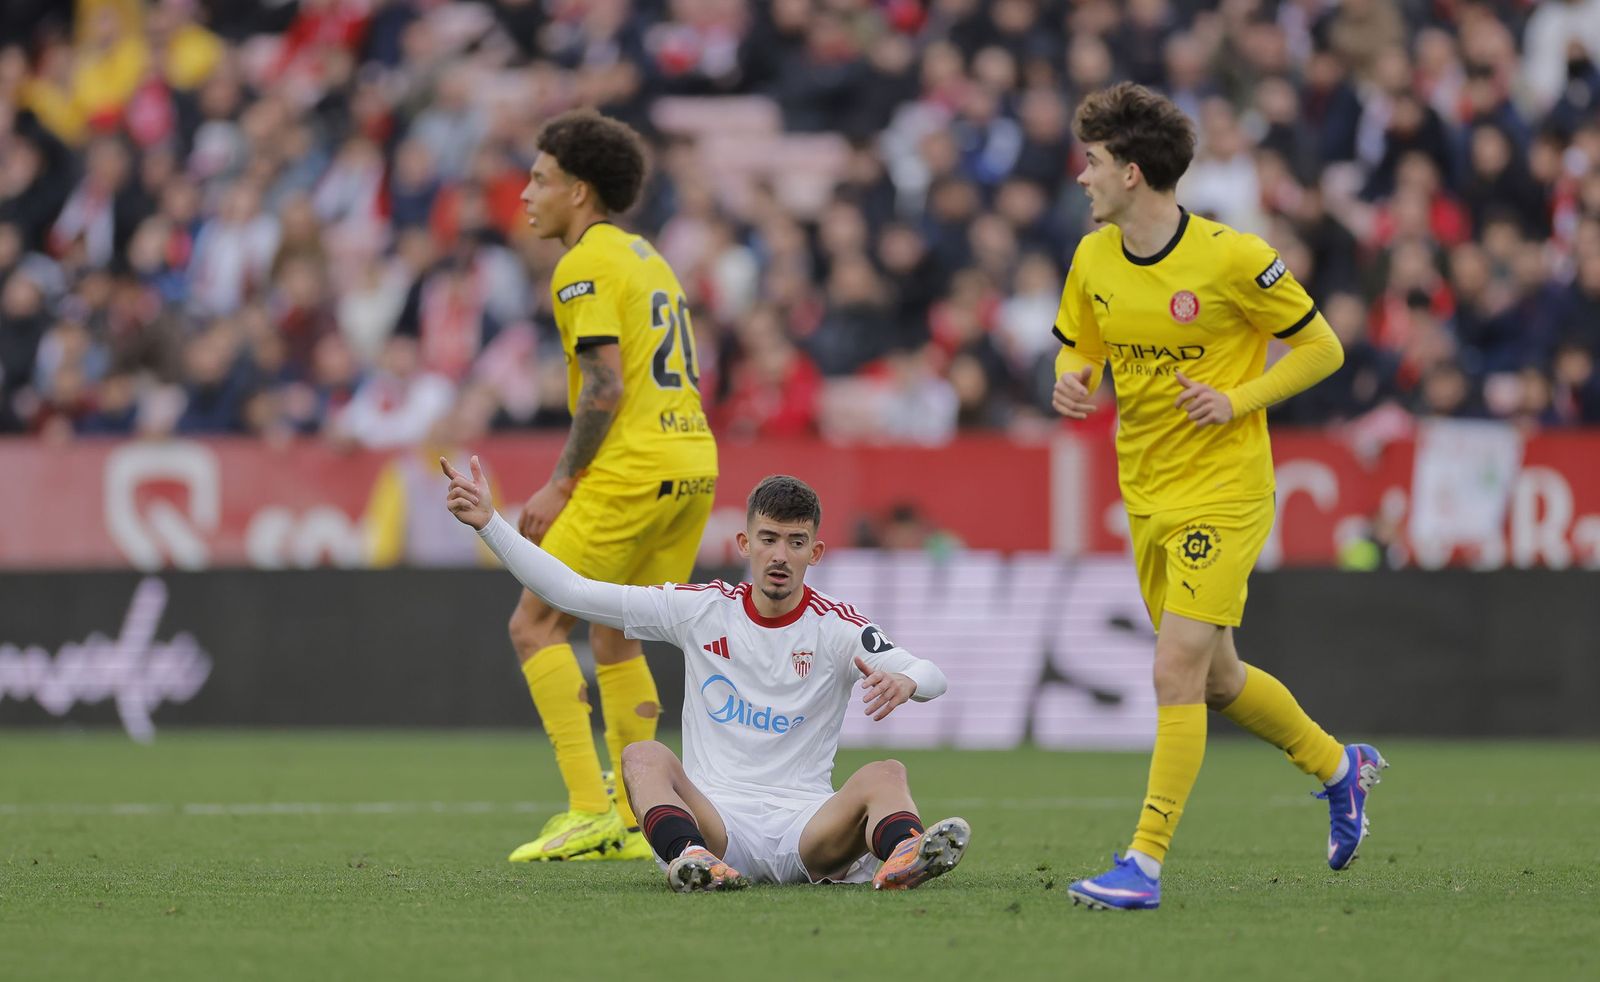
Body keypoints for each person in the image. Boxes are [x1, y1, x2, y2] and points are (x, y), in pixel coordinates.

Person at [1049, 83, 1386, 911]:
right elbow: (1078, 349)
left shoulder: (1235, 257)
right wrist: (1072, 381)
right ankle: (1341, 769)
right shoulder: (1093, 257)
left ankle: (1144, 862)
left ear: (1131, 173)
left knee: (1173, 672)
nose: (1079, 177)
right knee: (1218, 680)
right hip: (1146, 493)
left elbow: (1323, 349)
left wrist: (1236, 399)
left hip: (1225, 493)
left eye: (1090, 162)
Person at [444, 460, 970, 892]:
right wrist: (491, 524)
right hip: (715, 823)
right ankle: (690, 859)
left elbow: (931, 673)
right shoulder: (701, 609)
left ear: (816, 552)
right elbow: (574, 594)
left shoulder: (836, 626)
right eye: (768, 539)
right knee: (642, 756)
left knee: (886, 773)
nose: (780, 556)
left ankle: (906, 851)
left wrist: (907, 683)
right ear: (744, 544)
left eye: (795, 542)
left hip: (806, 828)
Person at [505, 110, 719, 862]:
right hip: (692, 463)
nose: (525, 193)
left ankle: (589, 807)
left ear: (581, 191)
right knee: (618, 630)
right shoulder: (647, 257)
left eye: (540, 179)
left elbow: (603, 387)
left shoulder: (583, 263)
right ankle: (640, 819)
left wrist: (561, 484)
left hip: (629, 468)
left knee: (535, 625)